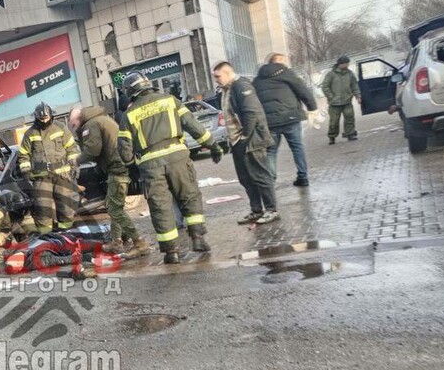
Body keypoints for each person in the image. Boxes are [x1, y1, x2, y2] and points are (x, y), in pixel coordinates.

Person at [116, 71, 222, 264]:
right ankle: (198, 239)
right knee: (189, 196)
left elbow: (124, 152)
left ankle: (171, 251)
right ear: (148, 84)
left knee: (160, 207)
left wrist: (132, 167)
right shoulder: (170, 100)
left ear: (130, 92)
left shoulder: (129, 115)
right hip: (178, 158)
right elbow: (192, 125)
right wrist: (213, 145)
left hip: (150, 167)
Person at [69, 104, 149, 258]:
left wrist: (75, 161)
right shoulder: (101, 119)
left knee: (114, 209)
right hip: (121, 166)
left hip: (116, 169)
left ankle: (139, 243)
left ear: (79, 119)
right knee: (115, 206)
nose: (74, 128)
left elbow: (92, 151)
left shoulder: (90, 125)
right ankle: (117, 241)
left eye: (73, 124)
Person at [213, 61, 279, 225]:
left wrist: (245, 137)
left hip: (251, 141)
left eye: (218, 76)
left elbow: (252, 113)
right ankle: (256, 210)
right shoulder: (226, 90)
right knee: (246, 178)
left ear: (228, 72)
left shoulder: (241, 86)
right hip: (237, 142)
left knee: (260, 175)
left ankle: (271, 209)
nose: (216, 80)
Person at [254, 53, 319, 187]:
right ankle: (303, 177)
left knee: (271, 151)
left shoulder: (257, 80)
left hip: (270, 122)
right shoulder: (287, 73)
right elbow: (303, 91)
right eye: (284, 61)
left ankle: (271, 181)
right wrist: (312, 108)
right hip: (291, 117)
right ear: (278, 62)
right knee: (297, 147)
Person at [17, 103, 80, 235]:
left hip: (62, 174)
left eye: (46, 118)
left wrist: (74, 165)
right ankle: (46, 237)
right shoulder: (30, 133)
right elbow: (23, 155)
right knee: (42, 208)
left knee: (65, 205)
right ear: (36, 118)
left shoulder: (60, 127)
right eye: (41, 119)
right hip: (41, 176)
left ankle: (67, 233)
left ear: (51, 115)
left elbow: (71, 148)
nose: (44, 121)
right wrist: (26, 172)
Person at [321, 56, 361, 144]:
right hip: (334, 103)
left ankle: (350, 134)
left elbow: (354, 85)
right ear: (341, 64)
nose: (347, 65)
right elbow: (325, 86)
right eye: (346, 63)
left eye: (348, 63)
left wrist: (358, 96)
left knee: (350, 118)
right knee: (334, 122)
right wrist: (331, 97)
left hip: (347, 101)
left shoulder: (350, 73)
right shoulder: (331, 74)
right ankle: (332, 137)